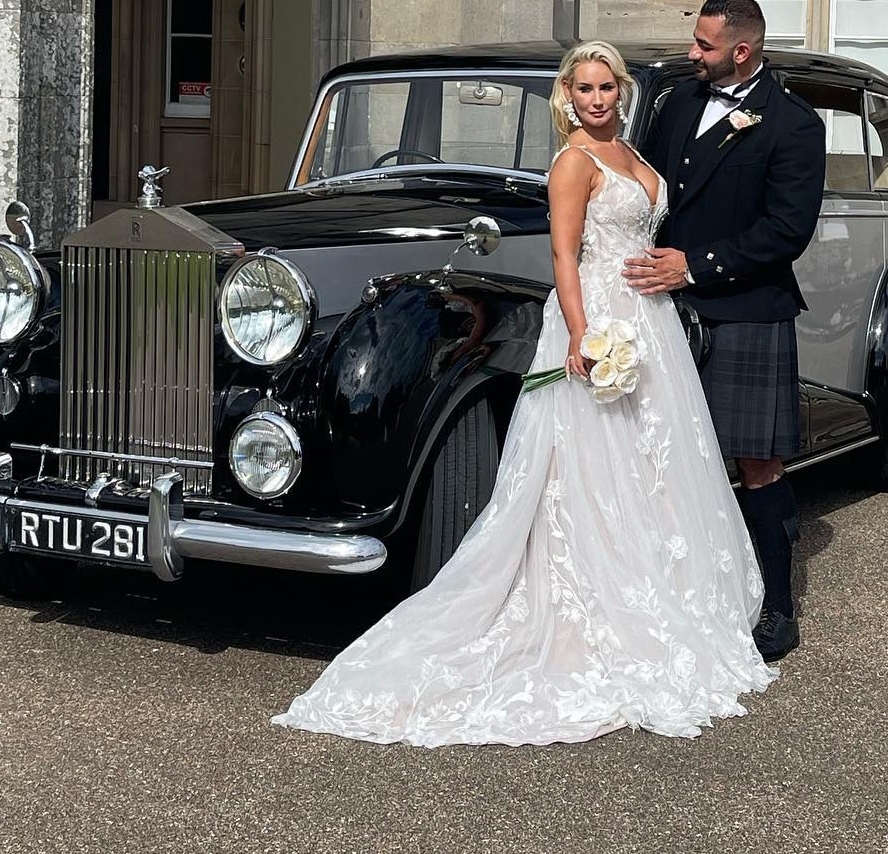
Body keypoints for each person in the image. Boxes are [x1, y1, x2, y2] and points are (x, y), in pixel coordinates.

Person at [272, 41, 775, 746]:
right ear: (567, 96)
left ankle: (668, 595)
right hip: (599, 315)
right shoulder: (574, 162)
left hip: (649, 321)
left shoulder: (633, 157)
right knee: (594, 470)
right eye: (586, 89)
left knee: (658, 464)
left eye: (607, 87)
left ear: (620, 93)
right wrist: (580, 332)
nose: (597, 99)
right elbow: (564, 254)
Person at [625, 0, 825, 662]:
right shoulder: (678, 102)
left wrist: (696, 267)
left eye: (704, 46)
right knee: (663, 455)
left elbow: (786, 230)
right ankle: (684, 596)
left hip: (745, 308)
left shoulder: (794, 124)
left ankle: (775, 608)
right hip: (663, 308)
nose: (692, 54)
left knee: (756, 463)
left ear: (742, 50)